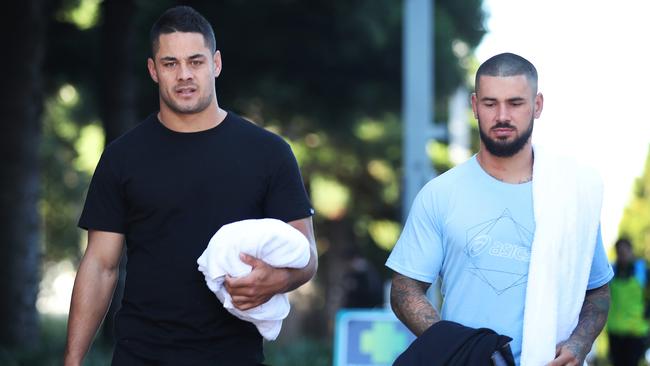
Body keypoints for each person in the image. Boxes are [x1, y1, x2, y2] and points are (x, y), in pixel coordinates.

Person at [63, 6, 317, 366]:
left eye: (195, 61)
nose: (184, 74)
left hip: (234, 356)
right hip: (141, 355)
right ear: (153, 70)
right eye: (170, 64)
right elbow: (101, 265)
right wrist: (72, 361)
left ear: (215, 64)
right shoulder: (123, 157)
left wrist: (276, 280)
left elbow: (306, 253)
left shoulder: (269, 153)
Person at [386, 52, 613, 365]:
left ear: (537, 105)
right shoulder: (441, 193)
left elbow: (598, 292)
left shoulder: (571, 195)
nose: (502, 115)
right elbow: (404, 289)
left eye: (515, 103)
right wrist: (461, 350)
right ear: (475, 106)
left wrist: (579, 344)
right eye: (491, 103)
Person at [607, 238, 649, 366]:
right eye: (620, 252)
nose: (623, 255)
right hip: (615, 330)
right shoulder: (610, 272)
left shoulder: (643, 271)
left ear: (631, 251)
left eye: (625, 251)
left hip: (636, 331)